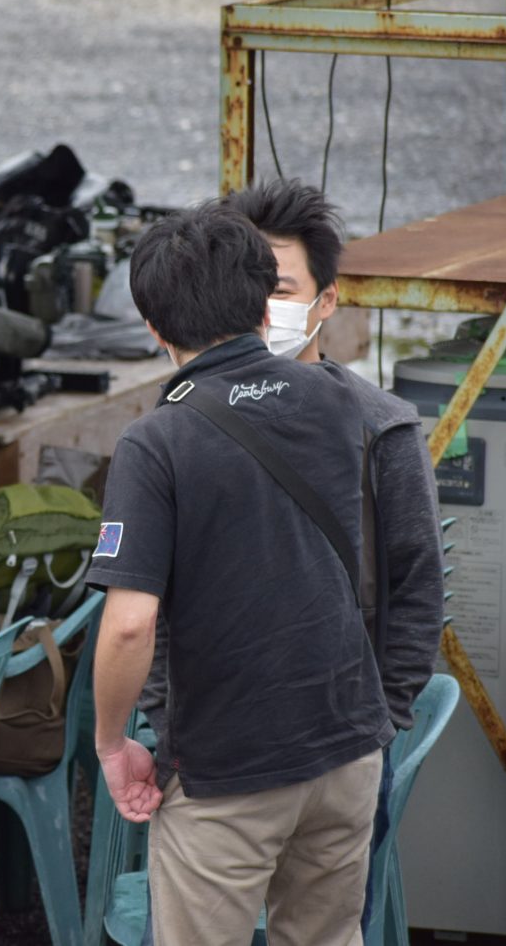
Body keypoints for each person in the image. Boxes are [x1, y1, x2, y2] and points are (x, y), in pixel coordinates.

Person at [89, 204, 438, 946]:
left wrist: (112, 742)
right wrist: (382, 718)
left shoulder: (157, 442)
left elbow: (128, 625)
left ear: (153, 327)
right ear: (261, 305)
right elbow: (409, 578)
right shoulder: (349, 406)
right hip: (347, 753)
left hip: (229, 769)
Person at [223, 179, 446, 930]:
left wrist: (381, 721)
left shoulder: (383, 429)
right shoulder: (186, 425)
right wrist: (167, 715)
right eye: (244, 286)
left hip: (342, 749)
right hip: (219, 749)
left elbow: (417, 586)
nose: (261, 308)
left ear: (326, 301)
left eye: (280, 288)